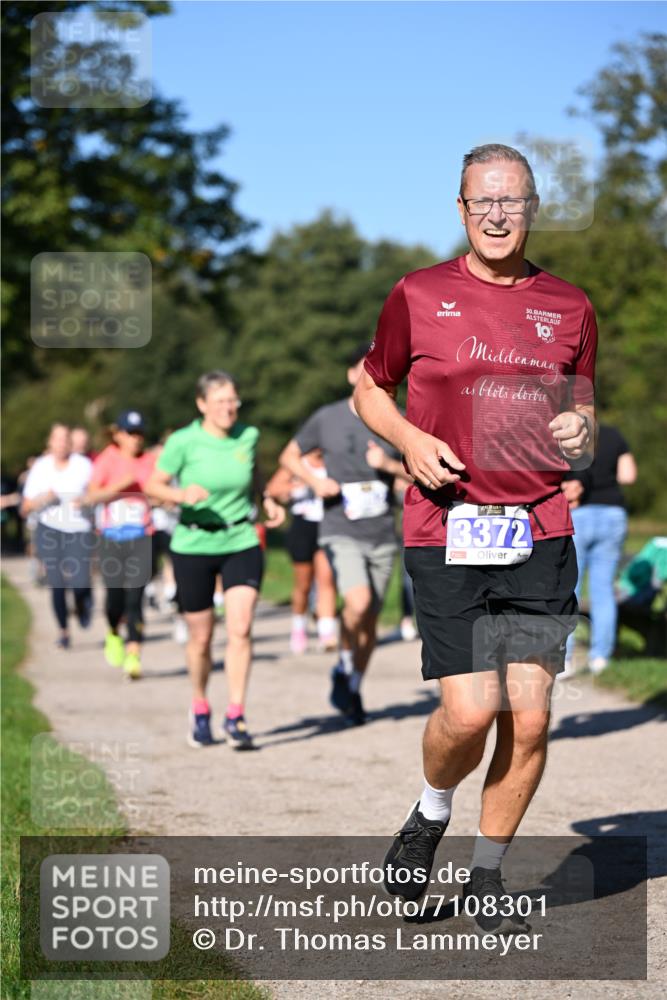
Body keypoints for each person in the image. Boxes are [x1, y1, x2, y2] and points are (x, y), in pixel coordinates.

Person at [353, 143, 597, 931]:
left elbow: (584, 416)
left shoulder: (569, 306)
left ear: (532, 209)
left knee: (529, 716)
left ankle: (486, 872)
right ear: (461, 210)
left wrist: (578, 426)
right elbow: (366, 387)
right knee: (469, 711)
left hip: (535, 528)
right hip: (444, 525)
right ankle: (429, 813)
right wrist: (407, 441)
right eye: (482, 201)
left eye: (512, 201)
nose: (498, 214)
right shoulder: (418, 294)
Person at [145, 371, 285, 750]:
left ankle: (236, 715)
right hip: (193, 544)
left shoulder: (248, 436)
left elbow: (253, 473)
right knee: (201, 637)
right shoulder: (183, 441)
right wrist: (179, 494)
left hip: (241, 538)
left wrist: (267, 498)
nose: (229, 407)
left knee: (240, 627)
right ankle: (200, 704)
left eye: (233, 400)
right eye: (220, 401)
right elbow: (152, 485)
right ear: (202, 404)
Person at [280, 345, 408, 726]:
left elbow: (416, 470)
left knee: (369, 622)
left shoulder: (397, 419)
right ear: (353, 376)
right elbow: (289, 456)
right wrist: (314, 480)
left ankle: (350, 681)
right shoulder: (327, 418)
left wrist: (385, 464)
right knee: (358, 601)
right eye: (366, 370)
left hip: (383, 532)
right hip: (340, 529)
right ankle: (346, 665)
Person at [85, 411, 156, 679]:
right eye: (129, 433)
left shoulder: (150, 461)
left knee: (135, 598)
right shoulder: (107, 459)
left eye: (139, 433)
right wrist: (120, 486)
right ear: (117, 434)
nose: (135, 439)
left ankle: (134, 653)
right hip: (111, 537)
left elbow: (157, 491)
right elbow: (92, 496)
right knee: (115, 598)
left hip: (141, 535)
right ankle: (114, 632)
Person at [561, 425, 637, 673]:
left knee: (570, 587)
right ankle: (600, 658)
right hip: (612, 515)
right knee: (603, 590)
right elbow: (628, 476)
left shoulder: (566, 435)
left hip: (578, 514)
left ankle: (566, 659)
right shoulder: (613, 434)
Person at [21, 424, 94, 648]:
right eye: (57, 439)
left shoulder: (83, 465)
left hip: (78, 528)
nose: (62, 443)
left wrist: (86, 500)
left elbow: (97, 492)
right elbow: (25, 507)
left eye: (65, 439)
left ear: (71, 443)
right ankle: (63, 631)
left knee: (80, 581)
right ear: (50, 442)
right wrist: (43, 498)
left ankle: (83, 602)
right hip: (49, 528)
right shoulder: (41, 468)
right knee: (57, 582)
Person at [265, 451, 338, 654]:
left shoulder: (333, 459)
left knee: (327, 580)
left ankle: (327, 632)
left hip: (328, 524)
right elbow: (272, 488)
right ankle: (299, 628)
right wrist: (297, 486)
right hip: (303, 526)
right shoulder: (297, 463)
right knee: (303, 584)